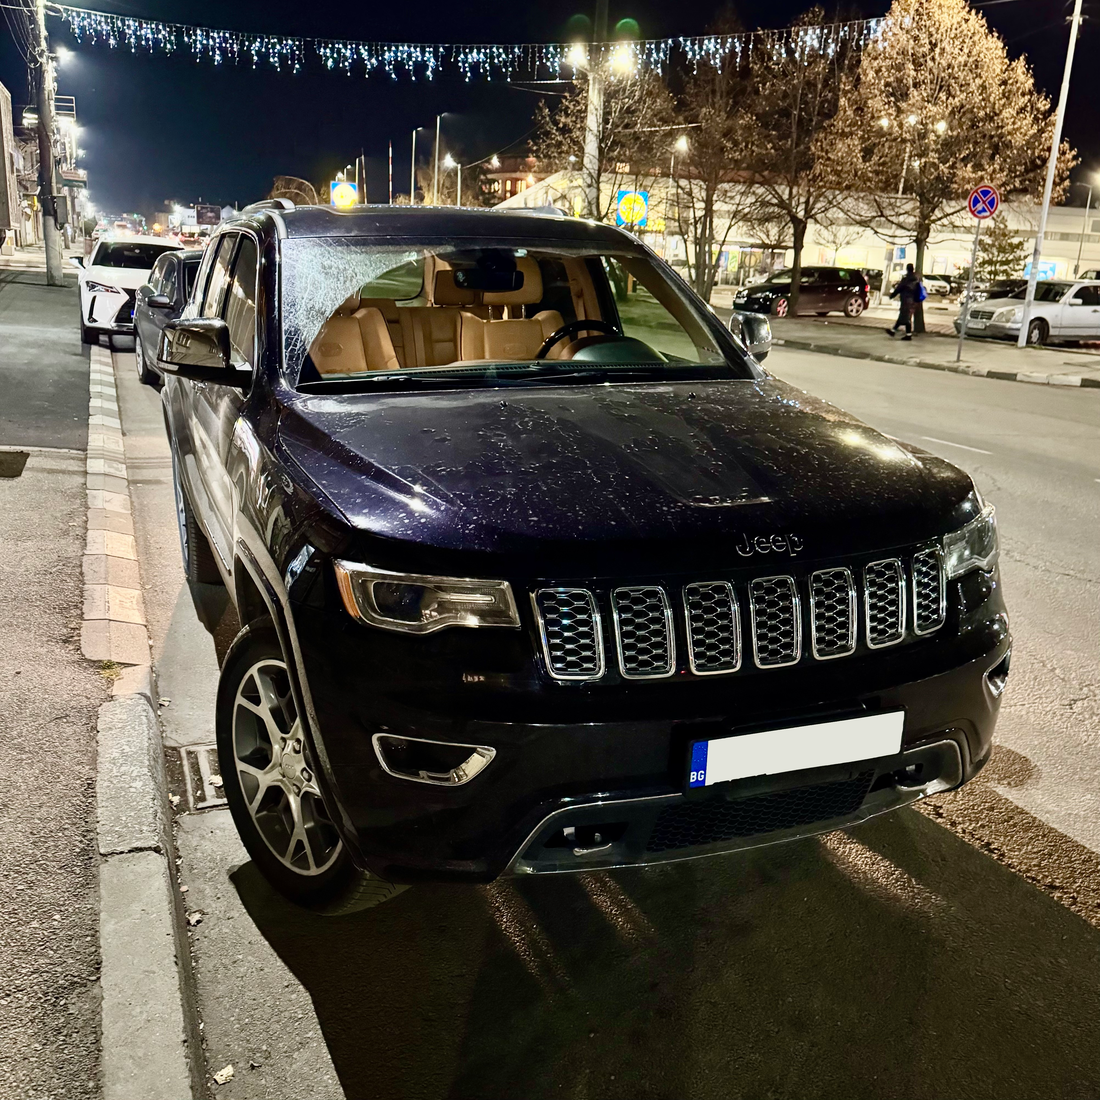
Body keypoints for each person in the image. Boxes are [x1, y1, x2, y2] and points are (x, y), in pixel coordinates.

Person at [886, 263, 920, 340]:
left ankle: (908, 335)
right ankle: (894, 331)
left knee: (905, 317)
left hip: (906, 299)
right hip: (913, 300)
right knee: (904, 316)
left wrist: (892, 295)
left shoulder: (906, 279)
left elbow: (899, 288)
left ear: (907, 269)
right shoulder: (916, 279)